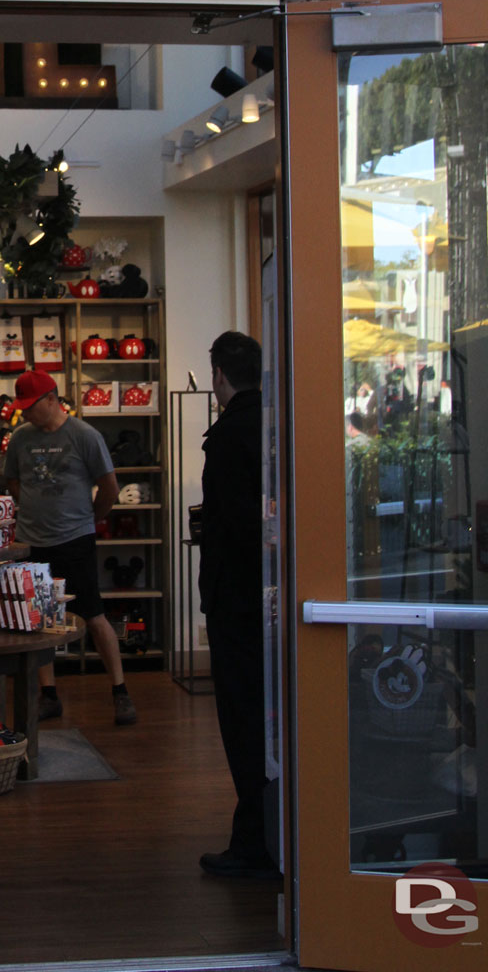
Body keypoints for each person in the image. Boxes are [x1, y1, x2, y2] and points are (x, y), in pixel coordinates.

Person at [3, 370, 136, 726]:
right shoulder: (20, 438)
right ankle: (49, 695)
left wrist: (88, 520)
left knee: (93, 614)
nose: (24, 413)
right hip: (32, 541)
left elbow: (109, 486)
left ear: (51, 399)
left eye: (29, 406)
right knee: (41, 620)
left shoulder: (84, 436)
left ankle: (120, 692)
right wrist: (34, 510)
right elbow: (13, 480)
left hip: (75, 539)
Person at [197, 330, 278, 880]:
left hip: (237, 599)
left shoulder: (227, 438)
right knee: (272, 716)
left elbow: (231, 523)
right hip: (275, 592)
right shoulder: (278, 426)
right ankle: (278, 833)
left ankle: (254, 841)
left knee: (244, 719)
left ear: (220, 376)